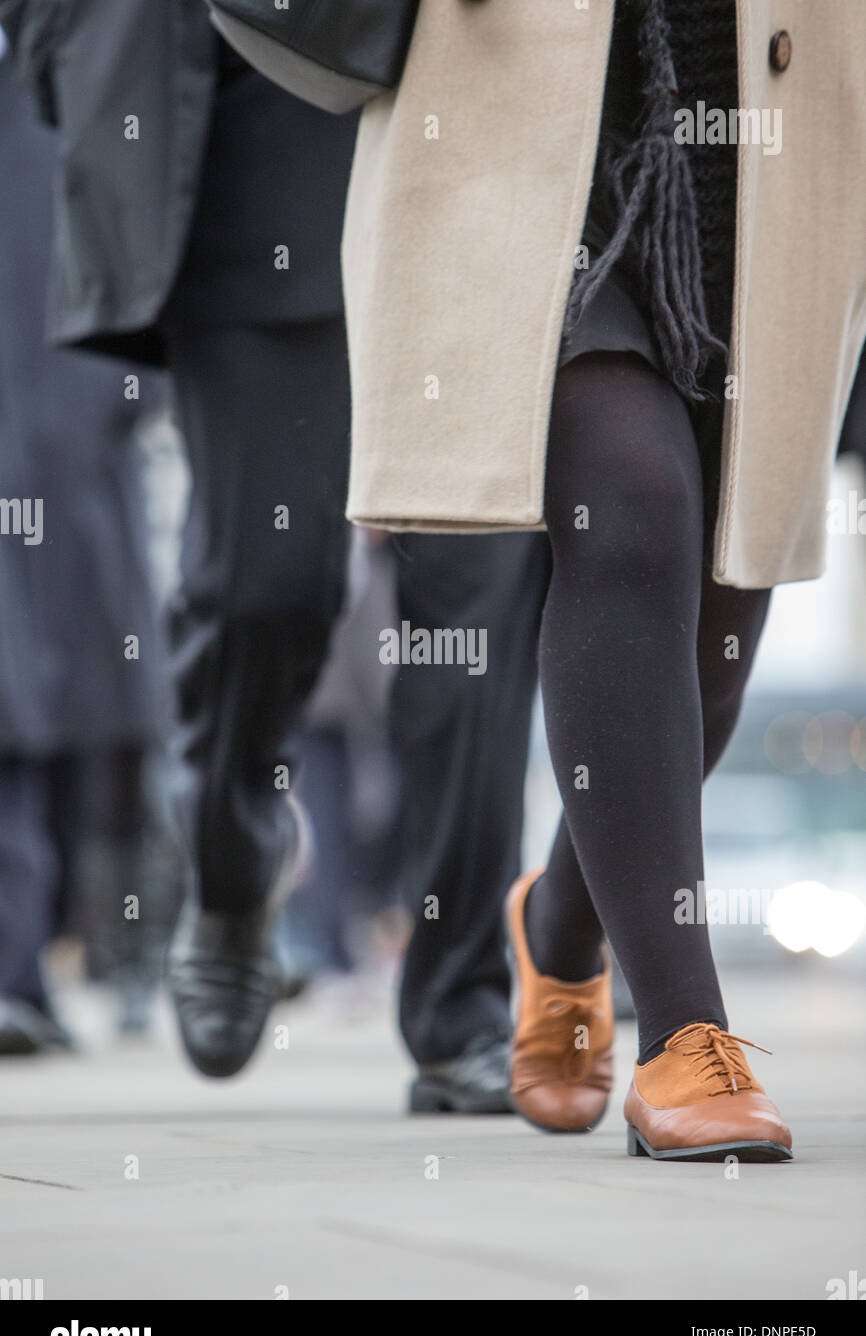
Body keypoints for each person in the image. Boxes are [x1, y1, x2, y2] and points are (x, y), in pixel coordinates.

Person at [335, 0, 866, 1158]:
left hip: (767, 138)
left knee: (713, 645)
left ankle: (560, 920)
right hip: (517, 134)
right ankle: (686, 1038)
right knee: (632, 507)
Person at [0, 0, 550, 1108]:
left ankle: (461, 1002)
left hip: (462, 116)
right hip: (238, 140)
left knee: (471, 601)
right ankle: (234, 851)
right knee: (261, 587)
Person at [0, 47, 169, 1050]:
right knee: (19, 725)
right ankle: (21, 972)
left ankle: (113, 956)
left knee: (100, 741)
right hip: (44, 461)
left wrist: (119, 406)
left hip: (75, 466)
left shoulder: (81, 81)